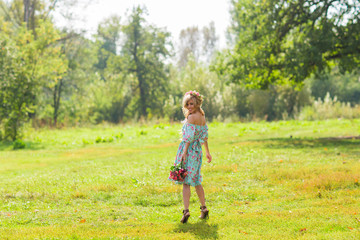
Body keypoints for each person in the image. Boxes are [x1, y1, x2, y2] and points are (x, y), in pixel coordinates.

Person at [168, 90, 212, 223]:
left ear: (197, 103)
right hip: (197, 151)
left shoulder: (191, 117)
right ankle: (204, 209)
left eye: (191, 103)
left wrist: (184, 153)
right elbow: (204, 136)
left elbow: (188, 138)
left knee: (185, 181)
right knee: (197, 181)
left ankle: (186, 211)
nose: (189, 106)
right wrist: (207, 152)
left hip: (189, 151)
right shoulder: (202, 117)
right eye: (187, 104)